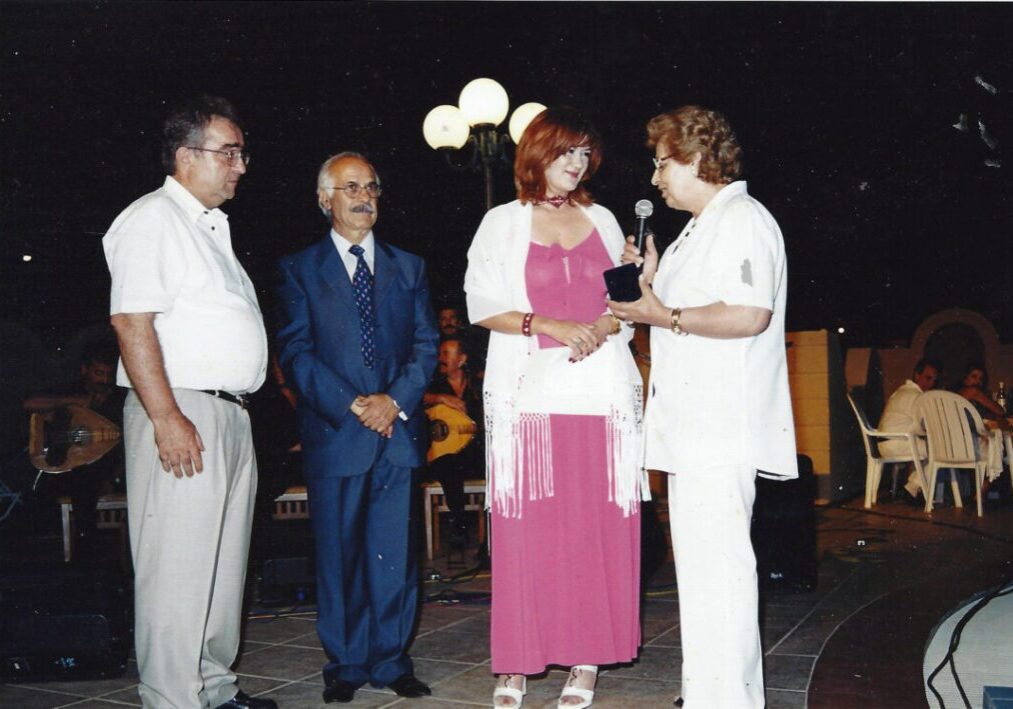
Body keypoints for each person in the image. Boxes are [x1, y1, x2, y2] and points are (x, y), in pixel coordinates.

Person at [608, 105, 798, 708]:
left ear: (694, 157)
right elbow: (679, 316)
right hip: (695, 432)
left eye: (662, 164)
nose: (656, 178)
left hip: (719, 431)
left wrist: (659, 312)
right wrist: (652, 287)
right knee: (705, 576)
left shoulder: (741, 219)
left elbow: (748, 314)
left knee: (720, 577)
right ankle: (708, 696)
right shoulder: (704, 225)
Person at [464, 106, 645, 709]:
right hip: (530, 397)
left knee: (593, 530)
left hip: (601, 394)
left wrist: (609, 314)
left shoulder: (604, 217)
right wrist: (553, 325)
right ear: (537, 152)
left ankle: (586, 659)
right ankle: (515, 664)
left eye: (584, 152)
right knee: (527, 532)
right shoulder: (502, 221)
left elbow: (627, 303)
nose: (577, 162)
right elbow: (480, 304)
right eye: (567, 150)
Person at [103, 96, 273, 709]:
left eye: (241, 153)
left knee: (222, 567)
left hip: (228, 412)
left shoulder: (208, 227)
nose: (240, 166)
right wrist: (167, 417)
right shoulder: (152, 220)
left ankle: (215, 688)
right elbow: (131, 323)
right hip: (182, 411)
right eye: (229, 153)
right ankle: (173, 699)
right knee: (177, 568)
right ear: (185, 156)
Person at [275, 152, 439, 704]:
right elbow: (296, 353)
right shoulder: (299, 269)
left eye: (371, 186)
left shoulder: (409, 267)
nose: (363, 196)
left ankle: (392, 661)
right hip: (336, 434)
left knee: (394, 554)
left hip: (396, 432)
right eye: (350, 187)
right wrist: (353, 405)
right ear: (326, 199)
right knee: (339, 555)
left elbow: (425, 345)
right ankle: (345, 663)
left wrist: (393, 401)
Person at [23, 340, 125, 561]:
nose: (104, 380)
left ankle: (88, 556)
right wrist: (76, 400)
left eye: (108, 374)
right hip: (70, 467)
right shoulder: (72, 389)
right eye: (98, 373)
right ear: (84, 370)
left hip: (108, 468)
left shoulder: (118, 398)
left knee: (86, 480)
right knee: (43, 485)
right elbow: (30, 403)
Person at [422, 335, 484, 553]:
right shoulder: (434, 383)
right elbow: (417, 397)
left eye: (447, 354)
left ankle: (490, 540)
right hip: (444, 455)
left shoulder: (477, 386)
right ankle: (459, 525)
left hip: (475, 451)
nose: (441, 358)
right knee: (449, 463)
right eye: (440, 354)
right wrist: (441, 398)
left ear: (462, 359)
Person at [878, 359, 939, 500]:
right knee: (941, 451)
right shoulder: (916, 396)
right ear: (917, 375)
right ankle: (912, 488)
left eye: (933, 380)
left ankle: (917, 488)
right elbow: (926, 426)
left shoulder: (901, 391)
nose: (930, 384)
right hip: (898, 444)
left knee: (930, 449)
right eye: (927, 378)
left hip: (883, 444)